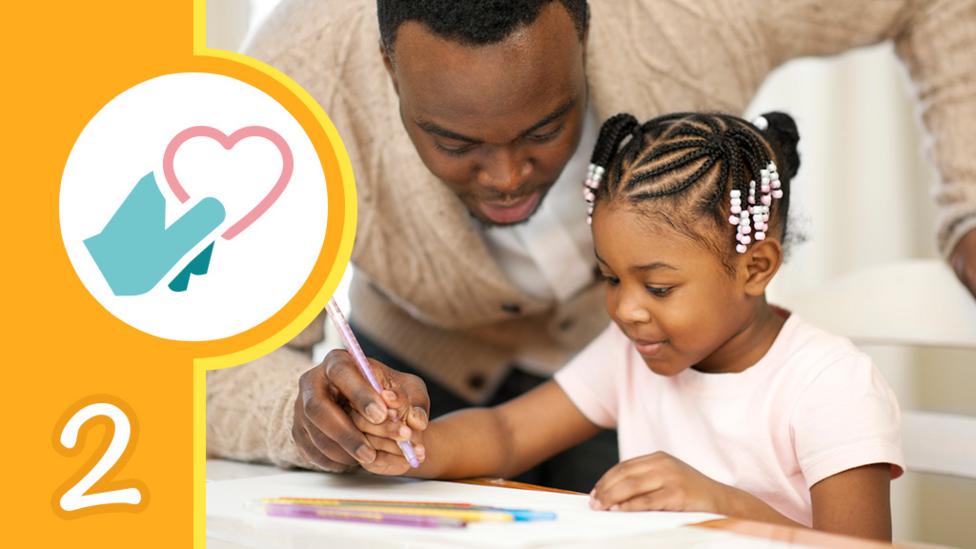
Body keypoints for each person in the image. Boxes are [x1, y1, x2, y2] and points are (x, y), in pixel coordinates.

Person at [206, 0, 971, 491]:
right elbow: (190, 359)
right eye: (452, 140)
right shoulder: (286, 85)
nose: (506, 176)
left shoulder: (700, 14)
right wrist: (318, 418)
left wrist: (968, 205)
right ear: (387, 71)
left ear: (585, 31)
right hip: (418, 363)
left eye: (545, 129)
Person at [346, 111, 904, 540]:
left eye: (658, 287)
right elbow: (508, 434)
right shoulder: (632, 352)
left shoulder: (829, 384)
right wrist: (418, 444)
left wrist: (721, 506)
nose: (626, 310)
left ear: (755, 267)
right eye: (610, 278)